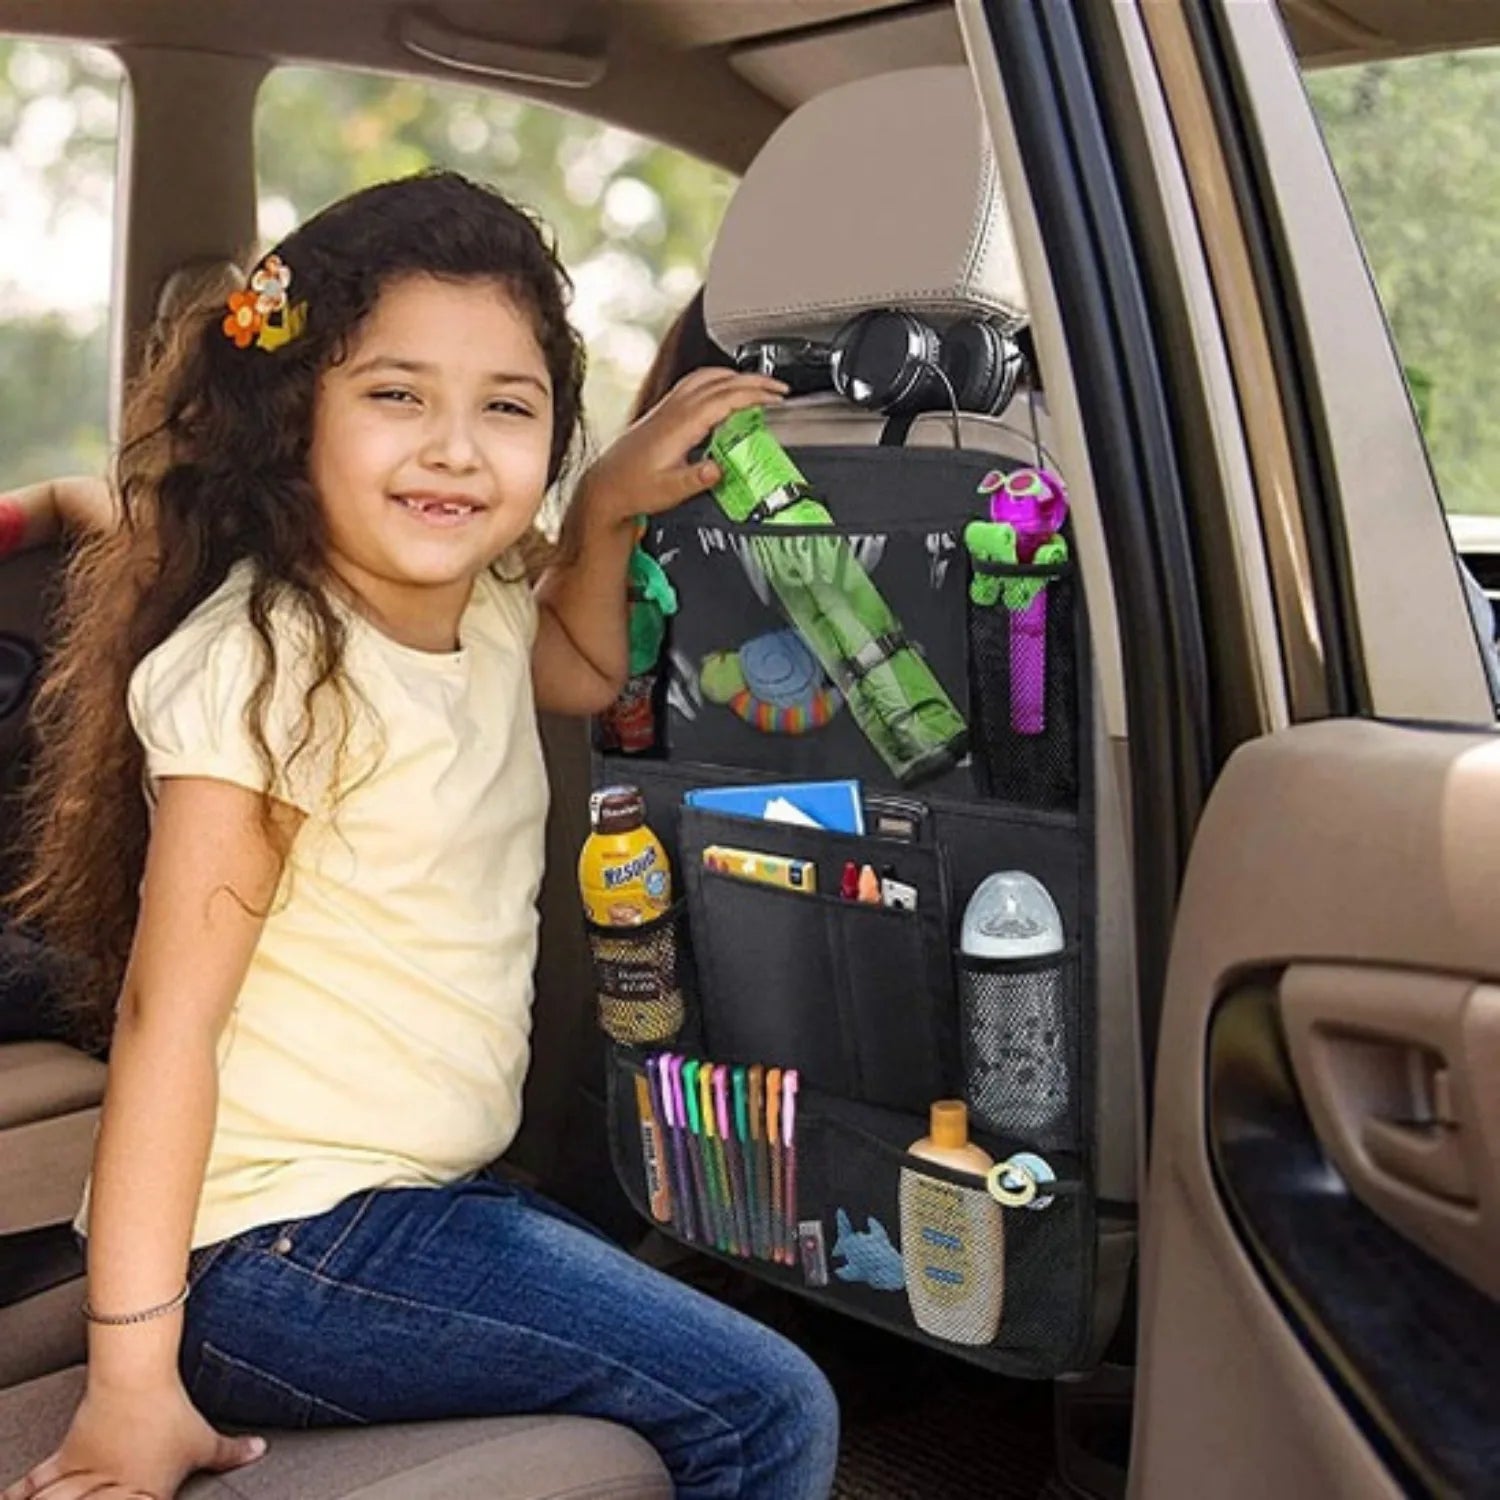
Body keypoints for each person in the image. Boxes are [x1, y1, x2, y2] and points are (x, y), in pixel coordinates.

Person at [0, 171, 836, 1500]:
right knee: (765, 1406)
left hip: (406, 1206)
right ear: (293, 423)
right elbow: (169, 1026)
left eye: (506, 408)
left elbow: (576, 663)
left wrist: (609, 506)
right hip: (270, 1245)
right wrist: (130, 1383)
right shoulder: (275, 666)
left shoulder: (491, 596)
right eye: (398, 396)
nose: (455, 447)